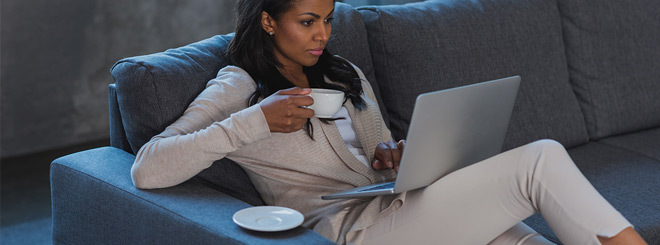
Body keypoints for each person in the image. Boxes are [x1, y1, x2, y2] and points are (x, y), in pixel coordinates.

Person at [130, 0, 647, 244]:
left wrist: (393, 157)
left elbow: (377, 156)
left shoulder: (345, 74)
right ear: (268, 21)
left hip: (405, 207)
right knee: (540, 159)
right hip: (358, 233)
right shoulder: (237, 87)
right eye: (307, 21)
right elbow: (148, 169)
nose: (323, 34)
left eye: (328, 19)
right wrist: (253, 122)